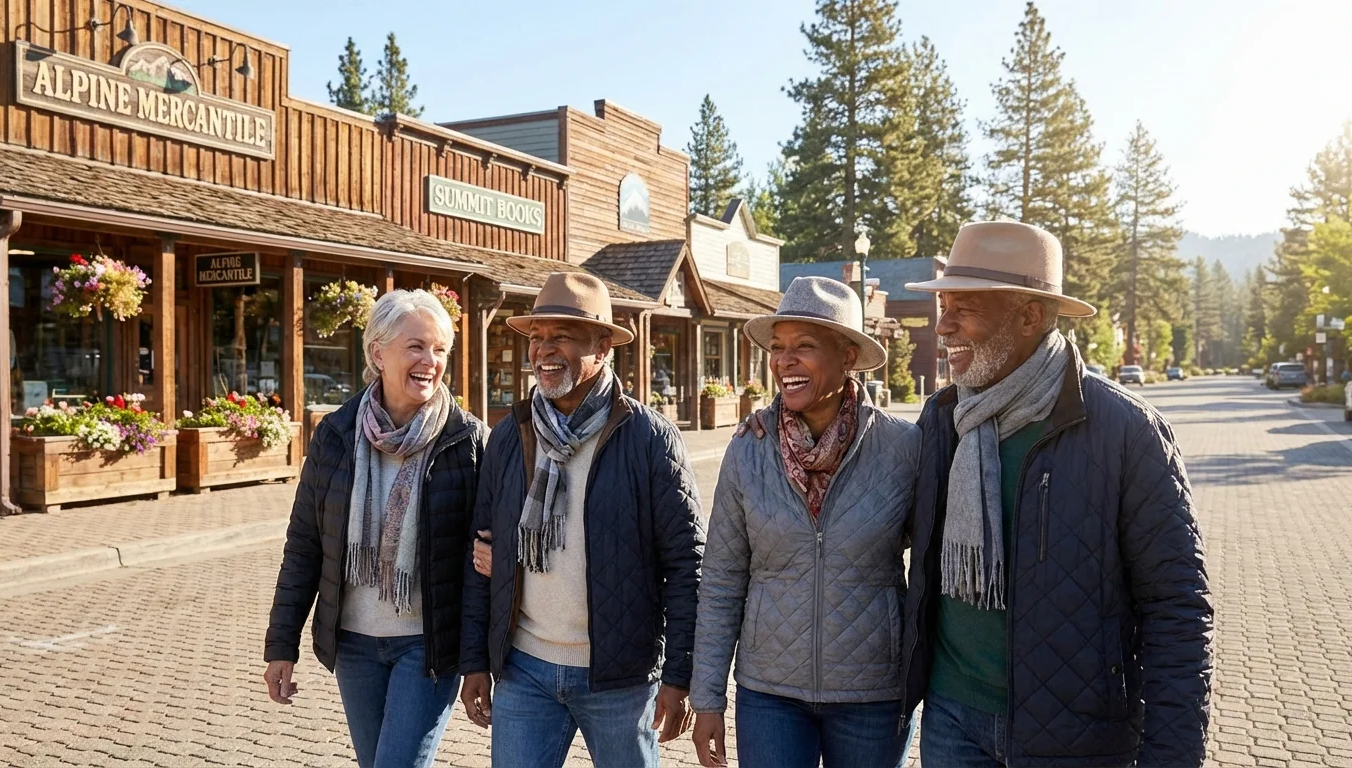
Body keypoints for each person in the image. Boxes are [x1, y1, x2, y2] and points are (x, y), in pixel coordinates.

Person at [899, 221, 1213, 767]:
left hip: (1075, 737)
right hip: (951, 718)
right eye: (942, 306)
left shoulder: (1125, 431)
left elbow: (1177, 609)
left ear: (1028, 316)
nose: (943, 327)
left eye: (963, 308)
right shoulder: (943, 418)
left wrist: (1171, 756)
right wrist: (782, 428)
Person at [458, 272, 705, 768]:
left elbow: (688, 566)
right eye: (538, 337)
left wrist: (682, 676)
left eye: (563, 336)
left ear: (604, 346)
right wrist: (475, 662)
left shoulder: (648, 438)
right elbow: (480, 552)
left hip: (621, 679)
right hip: (524, 669)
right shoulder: (511, 435)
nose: (544, 350)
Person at [690, 277, 921, 768]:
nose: (784, 361)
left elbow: (933, 572)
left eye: (805, 346)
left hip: (872, 694)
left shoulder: (904, 448)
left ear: (849, 357)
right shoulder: (748, 450)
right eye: (777, 348)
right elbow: (722, 579)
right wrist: (707, 695)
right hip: (769, 693)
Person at [263, 289, 485, 768]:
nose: (430, 361)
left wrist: (478, 660)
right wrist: (282, 645)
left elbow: (486, 557)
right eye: (416, 346)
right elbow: (304, 545)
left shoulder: (467, 440)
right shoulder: (336, 434)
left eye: (440, 349)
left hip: (427, 646)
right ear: (377, 353)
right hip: (354, 644)